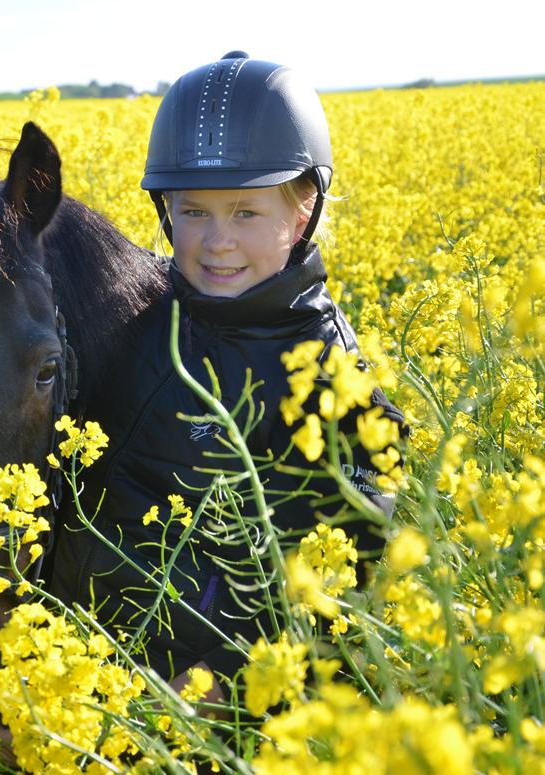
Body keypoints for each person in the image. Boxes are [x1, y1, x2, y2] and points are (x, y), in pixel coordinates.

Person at [48, 51, 406, 704]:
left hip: (198, 724)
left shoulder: (337, 385)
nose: (216, 241)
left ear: (303, 213)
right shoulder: (131, 316)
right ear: (165, 212)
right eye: (194, 212)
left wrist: (166, 709)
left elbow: (329, 604)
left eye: (245, 213)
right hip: (65, 687)